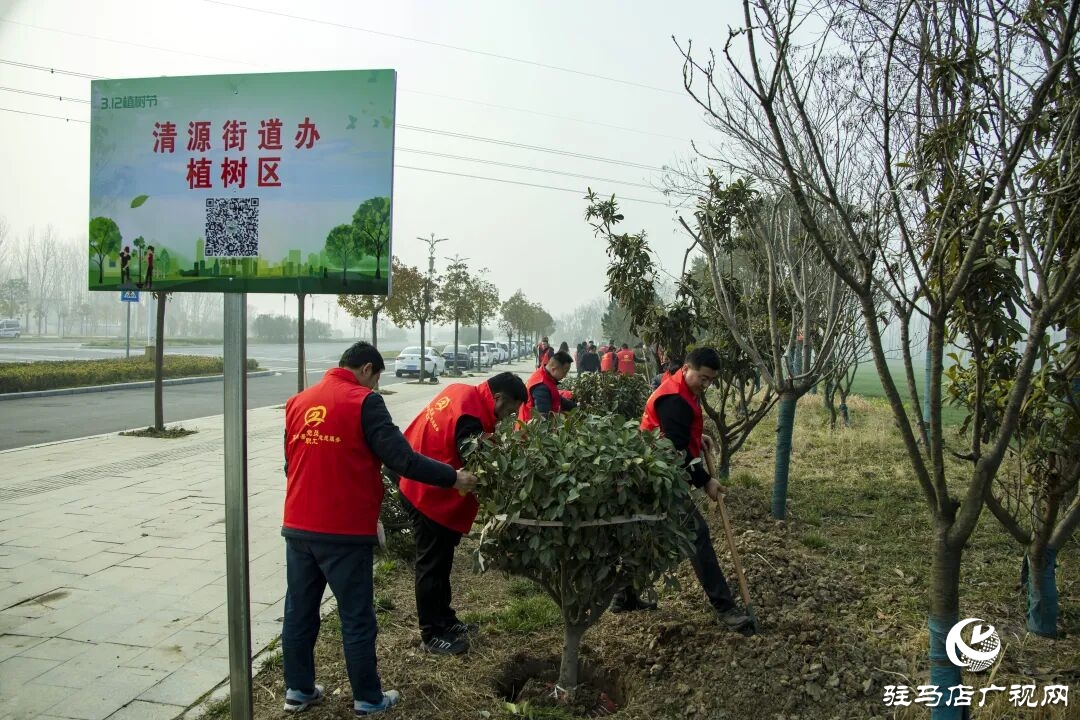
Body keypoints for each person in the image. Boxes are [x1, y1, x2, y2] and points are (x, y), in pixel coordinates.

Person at [281, 342, 478, 715]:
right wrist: (452, 477)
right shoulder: (364, 402)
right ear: (368, 369)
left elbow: (290, 465)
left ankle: (298, 690)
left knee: (299, 611)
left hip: (297, 526)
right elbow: (402, 459)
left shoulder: (298, 402)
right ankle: (368, 698)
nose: (374, 386)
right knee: (356, 617)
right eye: (376, 379)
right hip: (343, 532)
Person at [615, 347, 753, 632]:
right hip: (659, 477)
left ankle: (623, 596)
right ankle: (726, 608)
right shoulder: (675, 398)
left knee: (649, 537)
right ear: (687, 368)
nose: (706, 385)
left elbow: (675, 432)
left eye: (710, 380)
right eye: (702, 378)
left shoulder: (681, 389)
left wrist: (696, 436)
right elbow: (675, 451)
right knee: (697, 535)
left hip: (659, 473)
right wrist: (706, 481)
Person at [395, 372, 527, 656]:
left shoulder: (462, 391)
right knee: (432, 565)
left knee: (442, 562)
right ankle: (431, 633)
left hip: (421, 481)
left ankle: (446, 619)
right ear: (499, 397)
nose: (507, 417)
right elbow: (476, 458)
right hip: (428, 495)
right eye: (509, 411)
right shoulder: (471, 415)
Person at [520, 351, 575, 420]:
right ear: (554, 369)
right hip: (529, 428)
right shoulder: (541, 386)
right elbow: (543, 417)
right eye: (565, 371)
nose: (565, 375)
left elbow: (556, 398)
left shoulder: (546, 376)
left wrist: (575, 406)